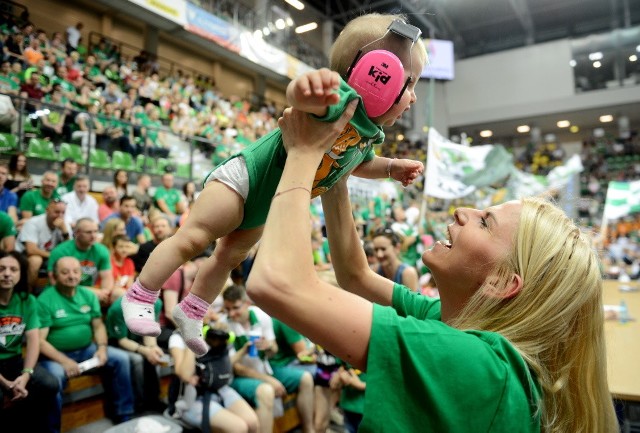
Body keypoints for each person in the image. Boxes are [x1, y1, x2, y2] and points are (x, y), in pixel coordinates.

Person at [244, 95, 619, 431]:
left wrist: (304, 154)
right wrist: (335, 166)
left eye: (485, 222)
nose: (461, 213)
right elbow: (355, 275)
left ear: (503, 282)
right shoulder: (458, 322)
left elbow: (276, 282)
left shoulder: (481, 367)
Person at [124, 13, 427, 356]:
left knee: (228, 257)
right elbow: (300, 98)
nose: (413, 97)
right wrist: (306, 89)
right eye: (410, 83)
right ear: (378, 74)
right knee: (193, 238)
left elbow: (357, 163)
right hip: (247, 178)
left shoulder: (370, 132)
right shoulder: (338, 99)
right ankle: (141, 295)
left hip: (269, 204)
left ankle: (192, 310)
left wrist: (390, 167)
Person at [38, 256, 135, 425]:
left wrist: (102, 348)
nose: (72, 276)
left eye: (76, 271)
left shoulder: (88, 295)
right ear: (54, 275)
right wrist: (64, 361)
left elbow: (98, 326)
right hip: (56, 356)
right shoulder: (45, 299)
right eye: (65, 272)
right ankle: (52, 428)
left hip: (86, 349)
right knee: (55, 377)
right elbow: (39, 341)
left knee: (121, 359)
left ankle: (124, 415)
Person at [222, 284, 315, 433]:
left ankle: (309, 429)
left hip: (263, 367)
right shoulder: (225, 326)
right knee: (266, 391)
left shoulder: (260, 315)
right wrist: (268, 379)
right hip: (238, 376)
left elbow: (274, 350)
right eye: (227, 309)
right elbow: (234, 367)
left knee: (306, 378)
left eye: (235, 308)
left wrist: (269, 347)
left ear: (247, 303)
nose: (231, 313)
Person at [0, 251, 60, 433]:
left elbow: (34, 340)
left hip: (15, 360)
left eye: (13, 269)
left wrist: (26, 374)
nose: (7, 274)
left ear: (21, 274)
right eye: (1, 269)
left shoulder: (27, 300)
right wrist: (5, 383)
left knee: (49, 384)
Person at [168, 326, 259, 433]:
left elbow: (221, 366)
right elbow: (185, 375)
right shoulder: (178, 338)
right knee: (238, 428)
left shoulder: (219, 331)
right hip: (192, 396)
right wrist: (193, 337)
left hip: (219, 389)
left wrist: (243, 351)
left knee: (253, 423)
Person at [105, 294, 165, 413]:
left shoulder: (156, 303)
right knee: (137, 359)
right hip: (118, 341)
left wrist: (152, 347)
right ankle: (139, 402)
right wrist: (145, 351)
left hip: (138, 337)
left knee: (155, 356)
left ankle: (154, 399)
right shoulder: (119, 308)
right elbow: (121, 340)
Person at [48, 218, 116, 305]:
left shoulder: (101, 250)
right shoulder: (61, 251)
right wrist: (91, 292)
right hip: (62, 294)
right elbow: (55, 282)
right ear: (77, 233)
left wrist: (105, 292)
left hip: (91, 292)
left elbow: (107, 277)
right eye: (88, 232)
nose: (93, 236)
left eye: (95, 231)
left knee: (119, 295)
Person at [15, 198, 71, 289]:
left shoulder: (64, 225)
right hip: (23, 255)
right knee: (36, 260)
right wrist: (54, 256)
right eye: (56, 212)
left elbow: (70, 249)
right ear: (47, 210)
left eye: (63, 213)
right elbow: (31, 250)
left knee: (67, 261)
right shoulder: (33, 222)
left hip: (47, 256)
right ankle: (27, 293)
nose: (60, 216)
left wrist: (65, 232)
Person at [371, 226, 419, 291]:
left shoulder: (408, 273)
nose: (379, 254)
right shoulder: (375, 270)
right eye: (376, 250)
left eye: (383, 249)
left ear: (397, 248)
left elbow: (412, 301)